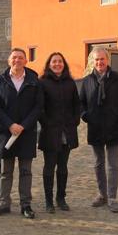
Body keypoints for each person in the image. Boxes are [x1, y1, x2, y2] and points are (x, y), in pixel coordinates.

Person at [0, 48, 44, 219]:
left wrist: (24, 125)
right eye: (14, 58)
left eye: (20, 58)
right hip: (6, 132)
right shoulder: (0, 80)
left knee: (26, 171)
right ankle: (4, 203)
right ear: (8, 60)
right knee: (6, 171)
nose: (17, 60)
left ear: (26, 61)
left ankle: (25, 205)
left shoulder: (34, 80)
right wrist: (10, 124)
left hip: (26, 133)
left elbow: (38, 107)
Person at [79, 47, 118, 213]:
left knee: (112, 165)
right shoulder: (87, 81)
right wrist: (85, 116)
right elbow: (80, 103)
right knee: (98, 163)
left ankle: (112, 197)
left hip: (113, 126)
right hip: (95, 127)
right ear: (92, 62)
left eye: (102, 59)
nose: (99, 62)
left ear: (107, 60)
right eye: (96, 60)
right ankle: (102, 194)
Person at [38, 52, 80, 213]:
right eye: (54, 62)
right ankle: (49, 201)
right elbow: (39, 107)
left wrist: (75, 120)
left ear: (64, 64)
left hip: (67, 130)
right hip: (50, 131)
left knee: (63, 167)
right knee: (49, 167)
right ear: (49, 64)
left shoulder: (70, 83)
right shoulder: (43, 83)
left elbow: (77, 104)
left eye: (60, 61)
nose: (57, 64)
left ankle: (61, 198)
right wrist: (47, 123)